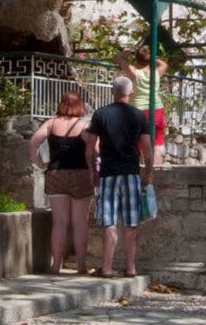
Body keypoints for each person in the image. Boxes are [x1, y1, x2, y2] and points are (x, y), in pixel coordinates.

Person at [85, 75, 155, 278]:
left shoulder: (100, 114)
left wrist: (92, 171)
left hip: (108, 173)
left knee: (109, 221)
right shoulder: (139, 116)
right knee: (131, 222)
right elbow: (148, 149)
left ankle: (106, 267)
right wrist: (148, 173)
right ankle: (131, 267)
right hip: (131, 173)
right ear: (131, 93)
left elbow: (90, 149)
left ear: (113, 92)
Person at [28, 88, 95, 274]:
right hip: (80, 174)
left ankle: (55, 265)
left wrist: (40, 163)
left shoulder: (51, 123)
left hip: (56, 174)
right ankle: (81, 265)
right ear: (80, 106)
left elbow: (34, 142)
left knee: (59, 222)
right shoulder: (85, 125)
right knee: (80, 223)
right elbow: (95, 148)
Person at [121, 45, 168, 159]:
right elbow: (164, 64)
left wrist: (125, 54)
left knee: (138, 142)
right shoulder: (156, 73)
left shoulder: (134, 73)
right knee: (157, 143)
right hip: (156, 108)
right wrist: (151, 57)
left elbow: (118, 59)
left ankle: (140, 171)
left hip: (138, 109)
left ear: (137, 59)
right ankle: (156, 171)